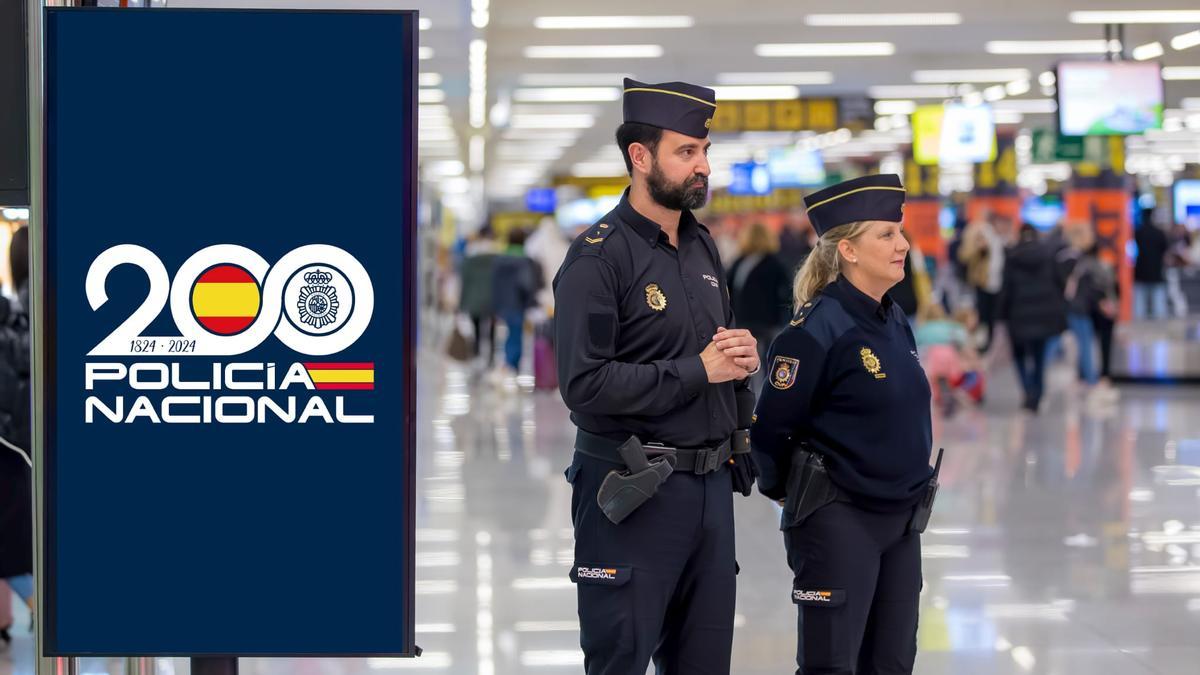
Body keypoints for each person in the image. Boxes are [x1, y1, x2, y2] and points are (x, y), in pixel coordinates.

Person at [553, 78, 759, 675]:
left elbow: (717, 357)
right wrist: (697, 370)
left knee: (704, 661)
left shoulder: (702, 247)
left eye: (704, 151)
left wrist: (738, 357)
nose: (703, 166)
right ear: (640, 158)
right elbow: (584, 385)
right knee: (620, 659)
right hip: (632, 492)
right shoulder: (598, 257)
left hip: (708, 493)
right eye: (686, 152)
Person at [751, 175, 935, 675]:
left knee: (893, 662)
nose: (903, 245)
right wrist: (782, 489)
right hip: (838, 518)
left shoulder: (893, 318)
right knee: (832, 665)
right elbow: (770, 427)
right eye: (887, 235)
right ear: (848, 250)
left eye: (900, 233)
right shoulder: (815, 330)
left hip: (901, 520)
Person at [0, 226, 33, 634]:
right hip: (20, 439)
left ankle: (36, 606)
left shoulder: (16, 305)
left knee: (10, 537)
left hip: (9, 439)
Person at [997, 223, 1068, 413]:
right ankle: (1038, 393)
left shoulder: (1011, 257)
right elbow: (1060, 284)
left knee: (1020, 356)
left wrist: (1001, 315)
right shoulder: (1048, 255)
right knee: (1039, 357)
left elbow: (1006, 288)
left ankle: (1028, 391)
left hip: (1018, 315)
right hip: (1043, 315)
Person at [727, 222, 792, 389]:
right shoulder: (775, 263)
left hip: (753, 323)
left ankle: (760, 398)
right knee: (762, 363)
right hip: (762, 322)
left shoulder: (740, 263)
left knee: (756, 364)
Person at [491, 227, 542, 379]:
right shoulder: (525, 261)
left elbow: (494, 284)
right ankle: (512, 366)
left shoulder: (499, 260)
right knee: (516, 335)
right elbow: (526, 284)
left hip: (502, 303)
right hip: (518, 303)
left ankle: (508, 364)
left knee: (509, 334)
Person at [958, 211, 1007, 352]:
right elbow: (966, 259)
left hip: (991, 285)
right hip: (981, 285)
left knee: (987, 318)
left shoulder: (997, 239)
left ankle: (984, 345)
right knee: (981, 317)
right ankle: (980, 346)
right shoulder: (982, 236)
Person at [459, 226, 499, 368]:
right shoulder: (497, 251)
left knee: (476, 326)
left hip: (474, 296)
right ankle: (491, 357)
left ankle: (476, 353)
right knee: (492, 328)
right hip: (493, 296)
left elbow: (465, 279)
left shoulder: (471, 251)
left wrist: (462, 302)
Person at [1133, 209, 1169, 320]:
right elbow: (1164, 250)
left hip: (1140, 270)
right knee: (1158, 302)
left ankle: (1139, 328)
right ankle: (1160, 330)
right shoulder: (1159, 233)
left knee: (1139, 303)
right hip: (1156, 270)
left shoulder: (1138, 232)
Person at [1166, 222, 1192, 318]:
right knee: (1174, 292)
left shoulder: (1186, 240)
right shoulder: (1171, 240)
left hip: (1184, 270)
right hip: (1173, 270)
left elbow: (1188, 256)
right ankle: (1179, 311)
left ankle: (1181, 311)